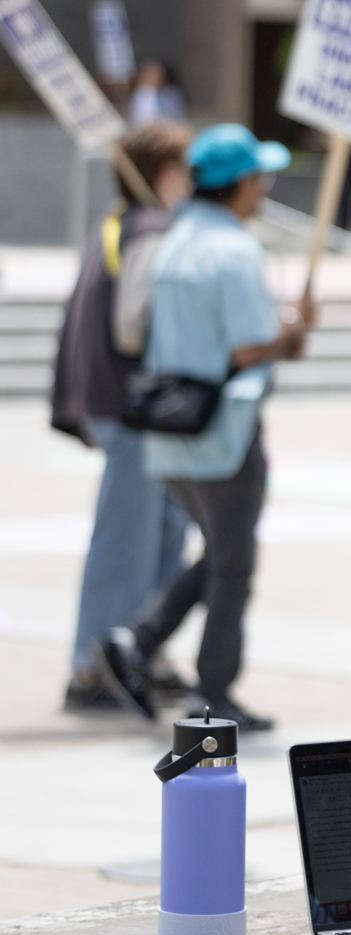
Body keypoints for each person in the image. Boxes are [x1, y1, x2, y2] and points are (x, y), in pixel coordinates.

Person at [98, 124, 314, 731]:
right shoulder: (234, 249)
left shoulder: (175, 241)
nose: (264, 187)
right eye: (258, 176)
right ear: (242, 183)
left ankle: (135, 640)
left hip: (171, 429)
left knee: (221, 553)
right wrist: (292, 334)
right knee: (234, 565)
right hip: (223, 430)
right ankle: (211, 691)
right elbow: (249, 347)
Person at [51, 119, 194, 711]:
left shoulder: (117, 224)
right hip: (136, 408)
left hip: (114, 403)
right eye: (183, 168)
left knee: (165, 527)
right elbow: (133, 325)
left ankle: (142, 648)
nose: (190, 180)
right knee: (125, 538)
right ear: (163, 173)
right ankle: (92, 666)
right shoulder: (149, 231)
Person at [128, 58, 186, 126]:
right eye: (150, 75)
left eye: (158, 75)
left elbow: (178, 116)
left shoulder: (170, 93)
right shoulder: (141, 95)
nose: (155, 77)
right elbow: (138, 120)